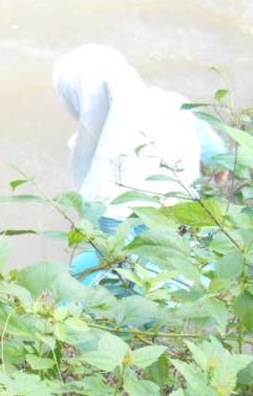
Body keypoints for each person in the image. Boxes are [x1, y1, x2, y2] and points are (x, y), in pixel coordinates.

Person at [52, 44, 227, 294]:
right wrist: (216, 175)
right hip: (189, 254)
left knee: (80, 273)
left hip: (138, 278)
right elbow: (218, 159)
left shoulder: (90, 152)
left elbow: (109, 244)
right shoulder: (174, 103)